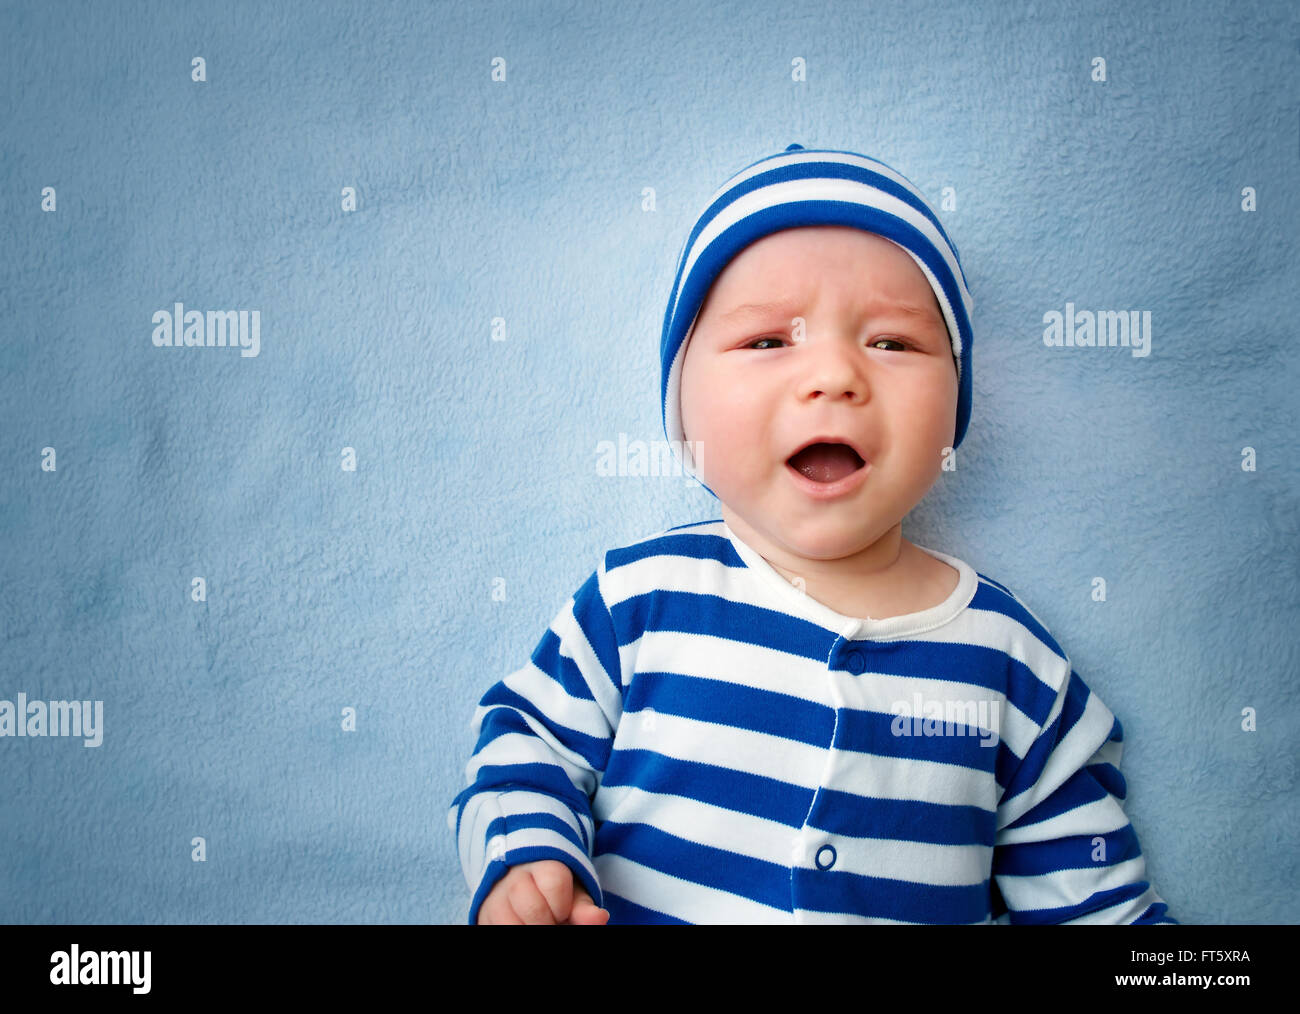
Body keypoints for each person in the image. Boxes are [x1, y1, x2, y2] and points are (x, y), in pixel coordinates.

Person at [447, 144, 1174, 925]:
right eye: (768, 342)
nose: (834, 376)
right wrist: (529, 859)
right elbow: (527, 747)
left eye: (890, 343)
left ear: (956, 402)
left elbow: (1099, 903)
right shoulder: (639, 603)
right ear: (682, 407)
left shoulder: (1013, 665)